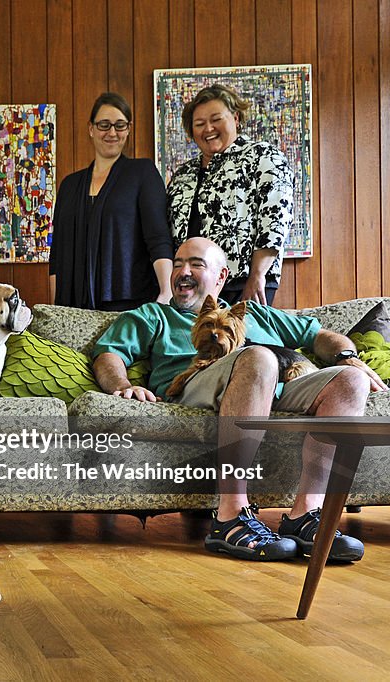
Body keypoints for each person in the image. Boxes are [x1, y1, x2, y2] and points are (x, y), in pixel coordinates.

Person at [91, 237, 387, 561]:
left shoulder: (259, 314)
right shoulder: (153, 315)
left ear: (221, 276)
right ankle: (230, 516)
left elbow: (320, 336)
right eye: (177, 264)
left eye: (196, 264)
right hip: (202, 385)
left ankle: (307, 514)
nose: (182, 272)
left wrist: (346, 355)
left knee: (352, 381)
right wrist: (121, 384)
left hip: (281, 385)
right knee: (258, 357)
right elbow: (108, 353)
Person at [167, 84, 294, 306]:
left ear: (235, 118)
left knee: (239, 340)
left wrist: (258, 275)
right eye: (199, 124)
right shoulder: (183, 175)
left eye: (216, 119)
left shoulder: (262, 156)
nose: (208, 128)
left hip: (243, 280)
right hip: (192, 285)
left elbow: (275, 220)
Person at [51, 92, 173, 310]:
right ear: (91, 128)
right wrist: (55, 307)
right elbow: (57, 255)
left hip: (130, 302)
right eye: (104, 125)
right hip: (73, 306)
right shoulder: (69, 185)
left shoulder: (142, 173)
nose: (112, 133)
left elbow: (158, 238)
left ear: (128, 129)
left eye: (120, 125)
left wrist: (166, 292)